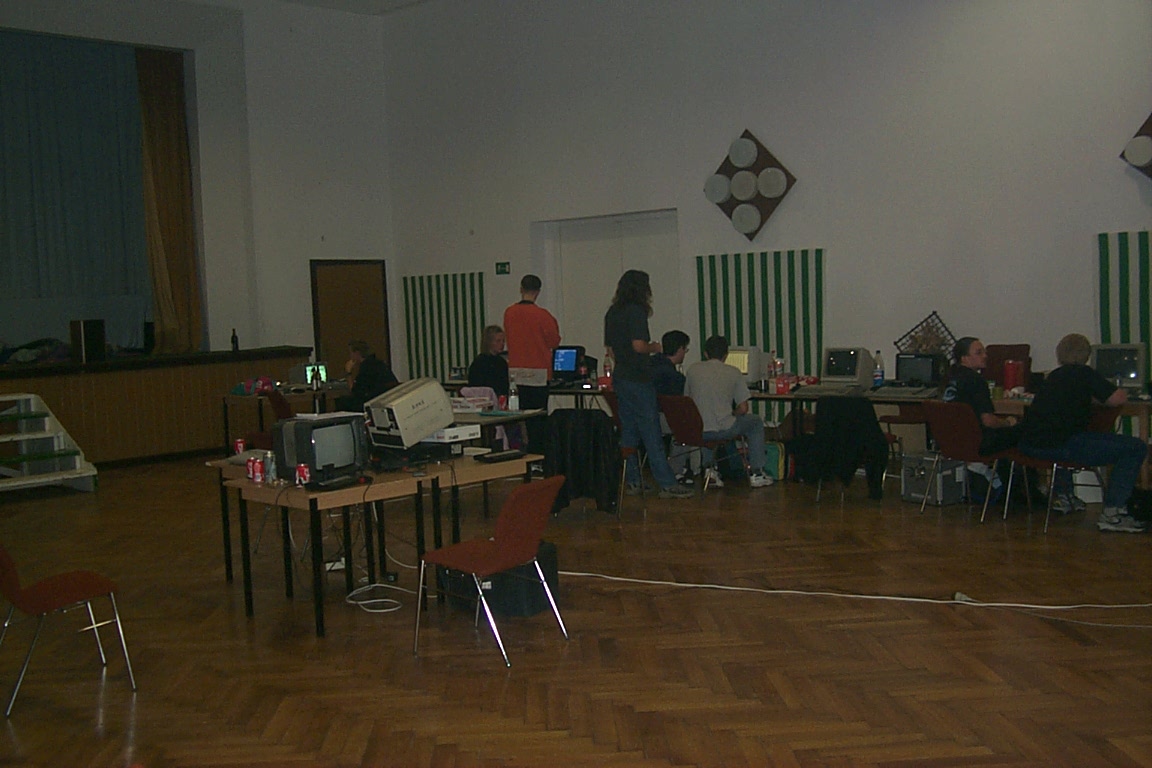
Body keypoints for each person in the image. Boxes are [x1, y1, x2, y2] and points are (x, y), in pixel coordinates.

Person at [1019, 333, 1147, 533]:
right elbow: (1118, 399)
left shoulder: (1052, 376)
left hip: (1031, 445)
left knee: (1066, 435)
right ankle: (1113, 513)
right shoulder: (1085, 374)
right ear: (1086, 355)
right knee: (1135, 447)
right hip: (1063, 446)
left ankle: (1064, 497)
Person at [603, 270, 693, 499]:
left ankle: (633, 480)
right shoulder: (636, 311)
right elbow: (639, 345)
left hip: (621, 376)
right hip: (639, 378)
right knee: (651, 433)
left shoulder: (612, 312)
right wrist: (655, 347)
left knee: (628, 432)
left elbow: (611, 350)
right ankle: (667, 483)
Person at [683, 335, 774, 489]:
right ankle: (757, 473)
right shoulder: (734, 372)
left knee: (705, 421)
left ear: (705, 354)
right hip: (723, 430)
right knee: (755, 423)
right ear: (726, 355)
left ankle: (710, 470)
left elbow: (687, 401)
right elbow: (743, 408)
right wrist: (732, 414)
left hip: (697, 430)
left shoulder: (692, 370)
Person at [941, 337, 1020, 504]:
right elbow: (988, 421)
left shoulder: (948, 379)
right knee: (1019, 433)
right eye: (979, 352)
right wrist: (1008, 422)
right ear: (964, 358)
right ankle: (1018, 494)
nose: (985, 356)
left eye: (984, 352)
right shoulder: (976, 381)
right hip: (977, 443)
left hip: (950, 442)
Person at [503, 274, 561, 452]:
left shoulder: (509, 313)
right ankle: (538, 455)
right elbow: (554, 342)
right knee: (538, 420)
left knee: (520, 418)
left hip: (516, 373)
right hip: (538, 374)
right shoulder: (543, 316)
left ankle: (521, 452)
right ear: (538, 292)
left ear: (521, 289)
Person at [652, 330, 695, 484]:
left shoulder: (650, 364)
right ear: (680, 349)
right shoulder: (675, 378)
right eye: (685, 349)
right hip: (658, 420)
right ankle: (676, 470)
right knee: (686, 427)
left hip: (642, 418)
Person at [335, 340, 399, 412]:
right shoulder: (378, 363)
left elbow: (355, 393)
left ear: (357, 353)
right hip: (386, 399)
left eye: (351, 353)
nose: (350, 356)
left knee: (342, 401)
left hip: (372, 402)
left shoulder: (366, 368)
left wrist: (348, 373)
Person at [467, 325, 509, 398]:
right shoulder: (479, 363)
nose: (502, 344)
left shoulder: (502, 362)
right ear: (489, 342)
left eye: (503, 341)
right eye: (498, 341)